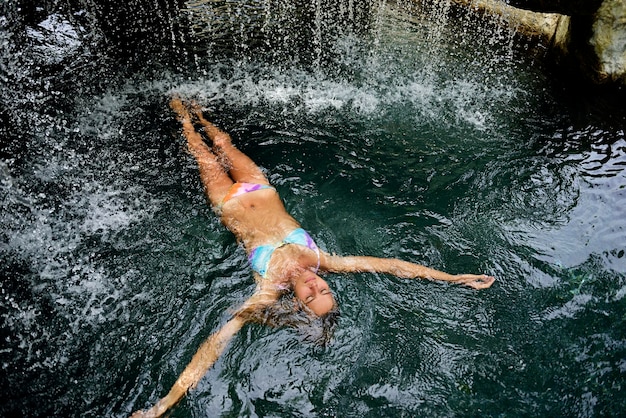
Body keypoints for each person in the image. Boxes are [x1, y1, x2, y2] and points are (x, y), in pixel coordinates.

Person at [131, 98, 495, 417]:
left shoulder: (268, 288)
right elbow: (390, 266)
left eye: (309, 296)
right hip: (259, 184)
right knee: (222, 140)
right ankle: (199, 111)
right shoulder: (322, 261)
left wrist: (164, 404)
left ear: (298, 304)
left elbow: (214, 344)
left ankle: (181, 111)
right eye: (324, 290)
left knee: (199, 147)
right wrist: (451, 278)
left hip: (228, 201)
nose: (314, 285)